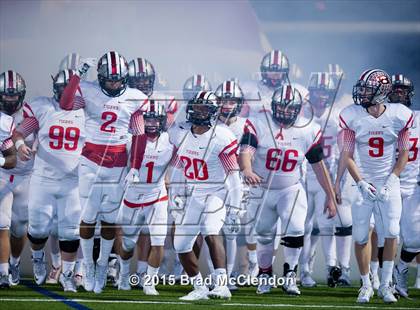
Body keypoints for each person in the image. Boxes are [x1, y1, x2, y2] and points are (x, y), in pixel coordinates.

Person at [58, 51, 148, 293]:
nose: (113, 83)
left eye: (117, 79)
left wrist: (135, 167)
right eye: (108, 79)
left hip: (118, 160)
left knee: (110, 219)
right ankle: (87, 265)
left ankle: (100, 265)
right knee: (88, 216)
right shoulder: (87, 90)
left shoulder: (135, 98)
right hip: (91, 159)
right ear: (99, 77)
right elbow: (65, 104)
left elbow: (139, 134)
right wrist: (77, 75)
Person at [239, 84, 337, 295]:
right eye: (281, 107)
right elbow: (246, 149)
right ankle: (265, 273)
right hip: (261, 188)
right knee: (264, 234)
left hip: (290, 189)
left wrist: (330, 195)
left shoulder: (308, 129)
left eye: (289, 108)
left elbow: (319, 166)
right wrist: (246, 169)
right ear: (274, 106)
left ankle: (290, 274)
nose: (284, 112)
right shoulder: (259, 123)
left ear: (298, 109)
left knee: (295, 228)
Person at [336, 69, 413, 303]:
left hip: (388, 181)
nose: (362, 92)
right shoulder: (351, 115)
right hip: (362, 181)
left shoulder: (400, 115)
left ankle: (386, 285)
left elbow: (404, 152)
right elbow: (347, 154)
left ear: (382, 92)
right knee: (360, 235)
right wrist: (359, 182)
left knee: (391, 232)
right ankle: (367, 284)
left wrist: (392, 178)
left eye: (368, 88)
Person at [12, 69, 85, 292]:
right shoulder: (43, 107)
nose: (67, 93)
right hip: (43, 180)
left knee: (71, 231)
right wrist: (20, 146)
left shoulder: (86, 111)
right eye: (63, 88)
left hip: (72, 181)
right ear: (56, 88)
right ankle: (37, 259)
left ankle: (69, 275)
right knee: (38, 229)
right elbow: (19, 132)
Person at [168, 91, 242, 300]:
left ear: (212, 112)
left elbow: (234, 176)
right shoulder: (180, 132)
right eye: (196, 106)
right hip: (193, 193)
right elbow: (178, 167)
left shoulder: (222, 135)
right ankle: (199, 288)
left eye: (204, 108)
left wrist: (235, 209)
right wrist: (176, 192)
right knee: (180, 244)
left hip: (216, 191)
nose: (199, 111)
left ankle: (222, 285)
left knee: (211, 230)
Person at [388, 74, 419, 298]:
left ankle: (400, 269)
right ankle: (384, 279)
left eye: (403, 90)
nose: (399, 94)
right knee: (388, 233)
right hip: (388, 184)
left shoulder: (418, 118)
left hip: (413, 186)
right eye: (395, 90)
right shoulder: (380, 117)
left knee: (415, 237)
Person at [0, 70, 31, 287]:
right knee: (2, 225)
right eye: (5, 95)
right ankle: (2, 272)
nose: (10, 100)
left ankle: (15, 263)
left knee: (19, 229)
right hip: (2, 175)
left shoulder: (31, 114)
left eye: (13, 95)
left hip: (26, 177)